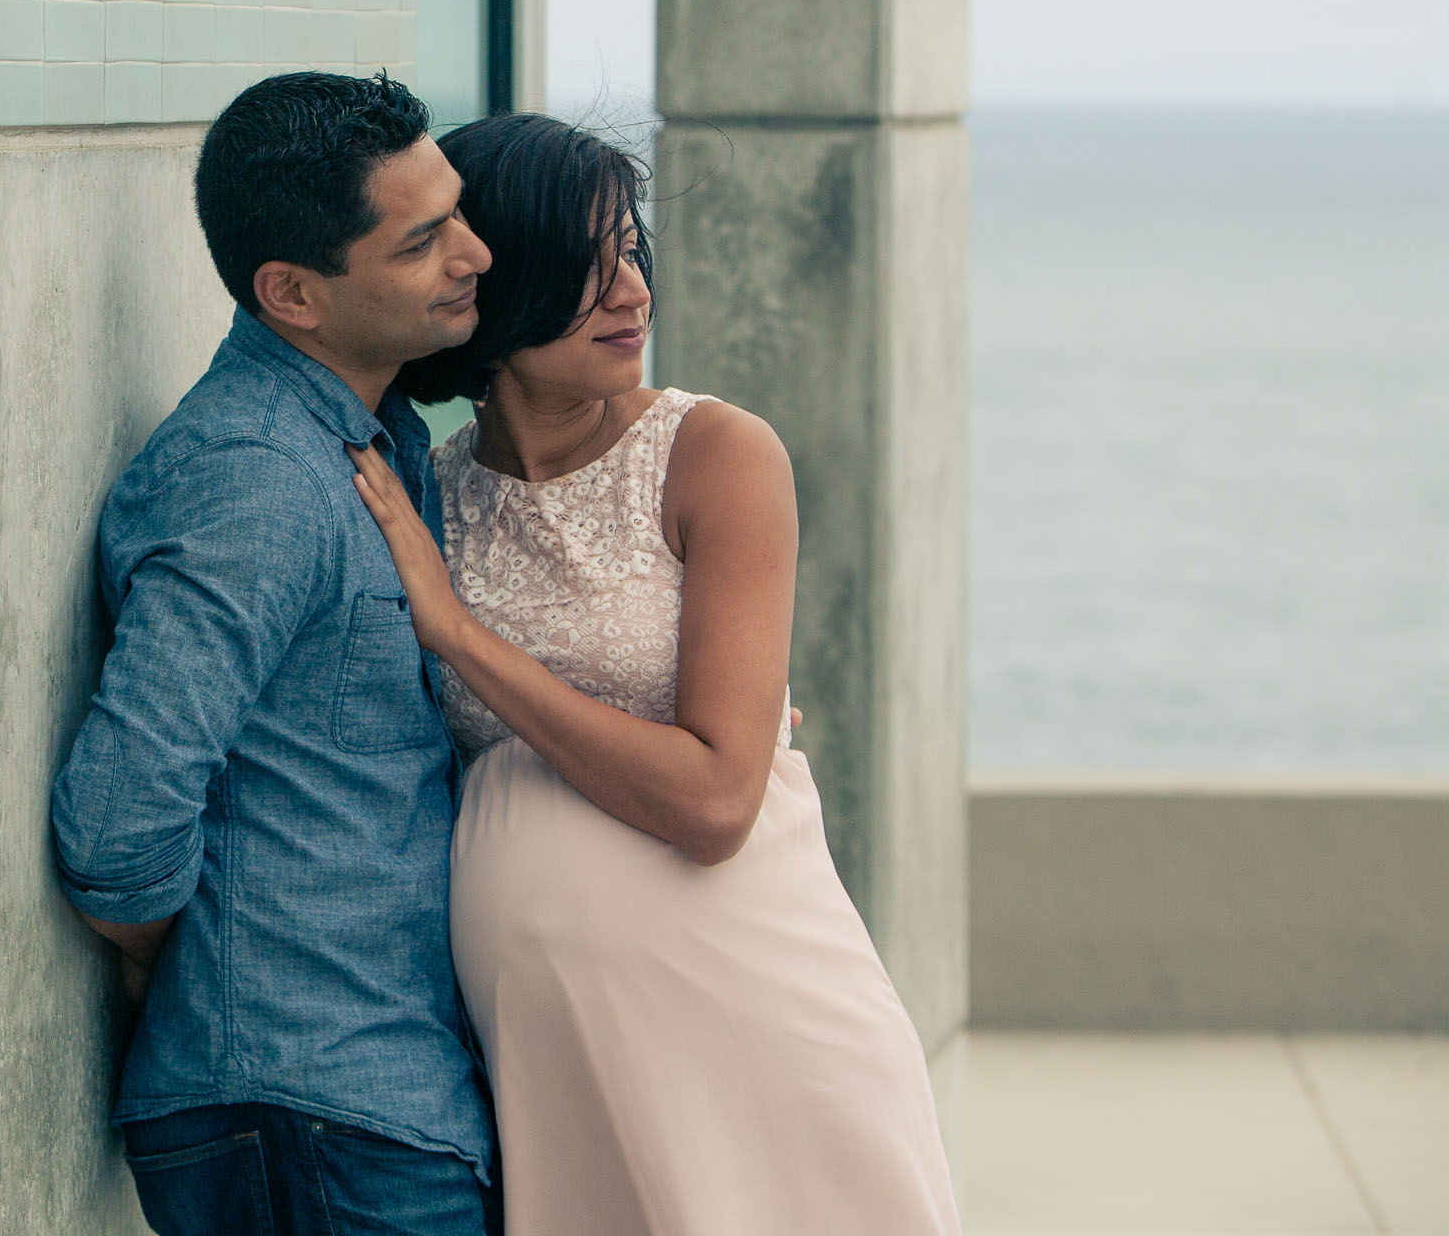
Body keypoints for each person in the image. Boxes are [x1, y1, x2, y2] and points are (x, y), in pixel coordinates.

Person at [343, 111, 959, 1234]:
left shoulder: (714, 454)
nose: (631, 290)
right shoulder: (424, 494)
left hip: (761, 1026)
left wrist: (462, 635)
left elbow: (719, 802)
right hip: (561, 1065)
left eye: (631, 248)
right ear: (495, 282)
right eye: (587, 265)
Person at [49, 71, 499, 1236]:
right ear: (293, 292)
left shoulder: (375, 436)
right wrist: (199, 975)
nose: (475, 254)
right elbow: (115, 824)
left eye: (454, 211)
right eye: (423, 241)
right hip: (310, 1112)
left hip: (379, 1102)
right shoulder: (255, 475)